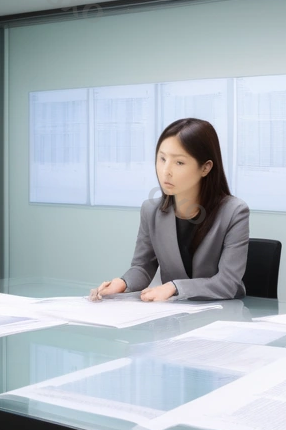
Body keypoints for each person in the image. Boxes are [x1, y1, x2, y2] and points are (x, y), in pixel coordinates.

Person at [91, 118, 250, 301]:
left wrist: (175, 287)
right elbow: (142, 267)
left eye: (179, 163)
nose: (166, 171)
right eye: (162, 158)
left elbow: (228, 283)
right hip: (173, 315)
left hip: (224, 314)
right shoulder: (150, 211)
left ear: (205, 168)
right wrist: (123, 283)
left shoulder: (235, 212)